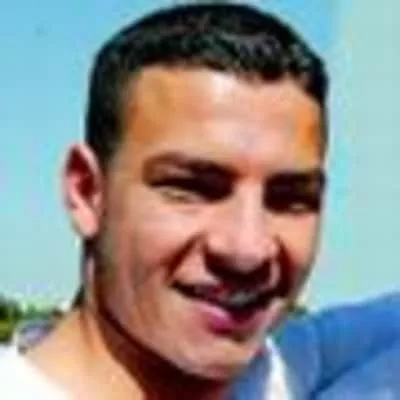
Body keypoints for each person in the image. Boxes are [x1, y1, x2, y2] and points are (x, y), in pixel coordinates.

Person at [1, 3, 399, 399]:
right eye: (194, 188)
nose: (247, 249)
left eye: (290, 199)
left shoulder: (283, 372)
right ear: (87, 192)